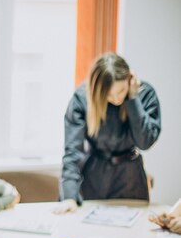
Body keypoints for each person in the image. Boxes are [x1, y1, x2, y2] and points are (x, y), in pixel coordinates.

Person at [55, 52, 162, 214]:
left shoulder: (145, 94)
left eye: (121, 91)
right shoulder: (82, 97)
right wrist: (69, 196)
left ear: (130, 80)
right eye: (109, 95)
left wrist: (132, 99)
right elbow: (72, 151)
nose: (117, 99)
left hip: (130, 178)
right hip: (93, 176)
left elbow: (145, 142)